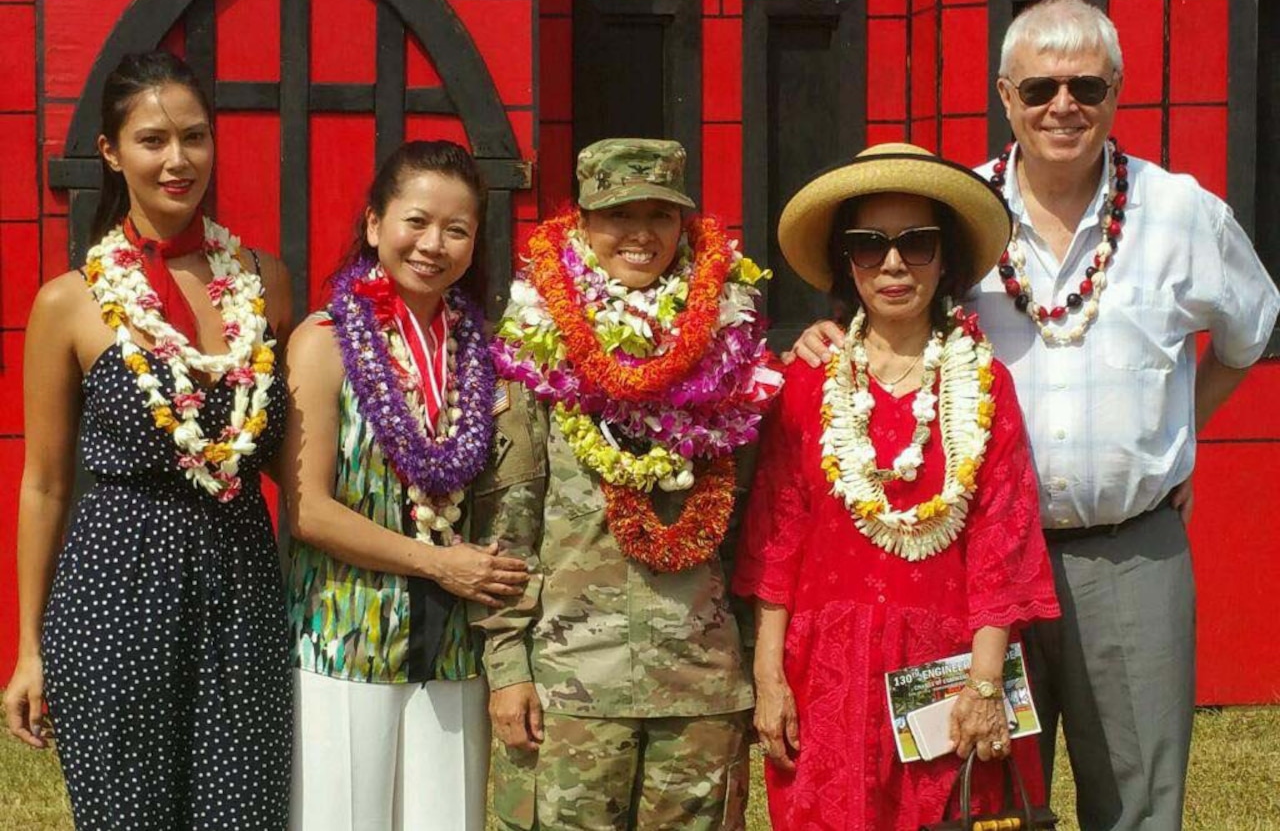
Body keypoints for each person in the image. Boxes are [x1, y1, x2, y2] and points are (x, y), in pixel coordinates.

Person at [789, 0, 1280, 831]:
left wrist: (1179, 438)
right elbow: (889, 303)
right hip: (966, 571)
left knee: (1138, 805)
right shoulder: (951, 216)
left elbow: (1250, 334)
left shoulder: (1181, 214)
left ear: (1116, 91)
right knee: (973, 800)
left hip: (1129, 556)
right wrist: (828, 336)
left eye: (1087, 85)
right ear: (1005, 95)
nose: (1064, 106)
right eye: (1042, 86)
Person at [3, 51, 293, 829]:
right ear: (110, 152)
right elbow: (46, 484)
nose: (177, 160)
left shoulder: (266, 280)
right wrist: (28, 649)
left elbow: (299, 460)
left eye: (194, 137)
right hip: (114, 588)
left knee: (246, 812)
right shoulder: (70, 302)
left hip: (242, 585)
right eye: (152, 140)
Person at [736, 142, 1060, 830]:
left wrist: (983, 683)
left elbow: (1003, 539)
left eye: (916, 243)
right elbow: (776, 538)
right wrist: (769, 678)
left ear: (946, 260)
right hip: (826, 675)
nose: (892, 264)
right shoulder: (806, 385)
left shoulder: (984, 385)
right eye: (867, 244)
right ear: (843, 260)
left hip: (949, 669)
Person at [479, 138, 781, 830]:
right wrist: (508, 668)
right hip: (572, 683)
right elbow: (509, 527)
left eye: (661, 214)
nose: (642, 234)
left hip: (700, 687)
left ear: (686, 225)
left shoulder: (730, 346)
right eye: (620, 214)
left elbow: (754, 533)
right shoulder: (537, 346)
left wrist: (758, 673)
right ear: (582, 222)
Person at [280, 140, 535, 831]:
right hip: (345, 636)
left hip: (453, 644)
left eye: (457, 230)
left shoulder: (483, 353)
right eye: (415, 222)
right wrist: (438, 563)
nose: (434, 245)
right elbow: (308, 511)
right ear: (373, 225)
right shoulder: (324, 341)